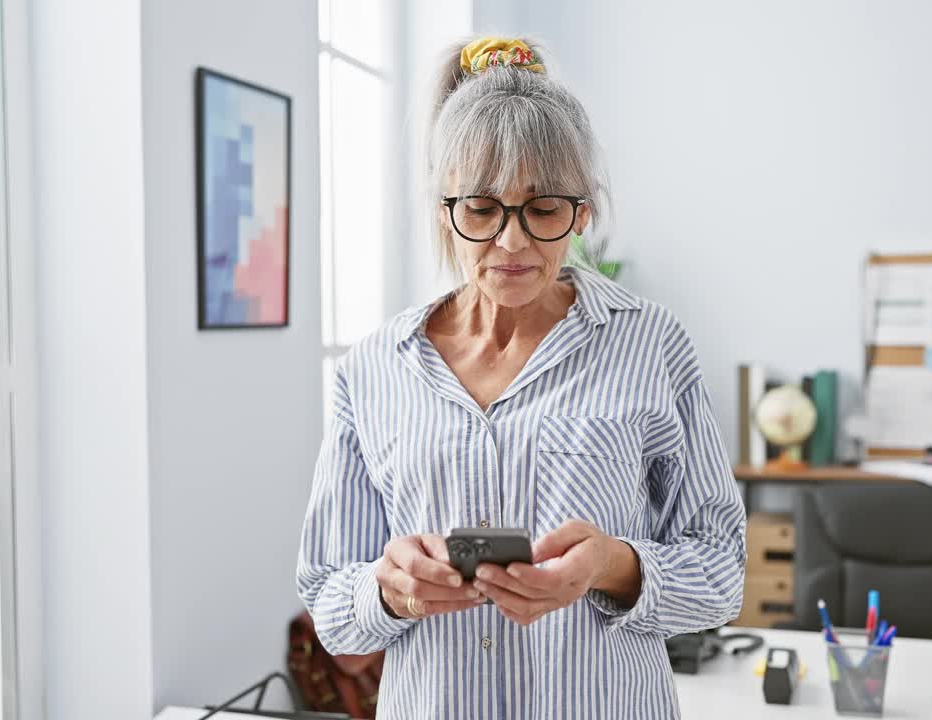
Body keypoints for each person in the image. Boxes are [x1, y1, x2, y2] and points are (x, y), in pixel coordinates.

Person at [297, 36, 746, 719]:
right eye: (481, 209)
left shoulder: (650, 344)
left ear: (582, 214)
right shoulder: (374, 369)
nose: (512, 243)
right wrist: (389, 589)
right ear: (444, 209)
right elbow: (331, 606)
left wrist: (610, 566)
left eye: (542, 209)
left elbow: (721, 571)